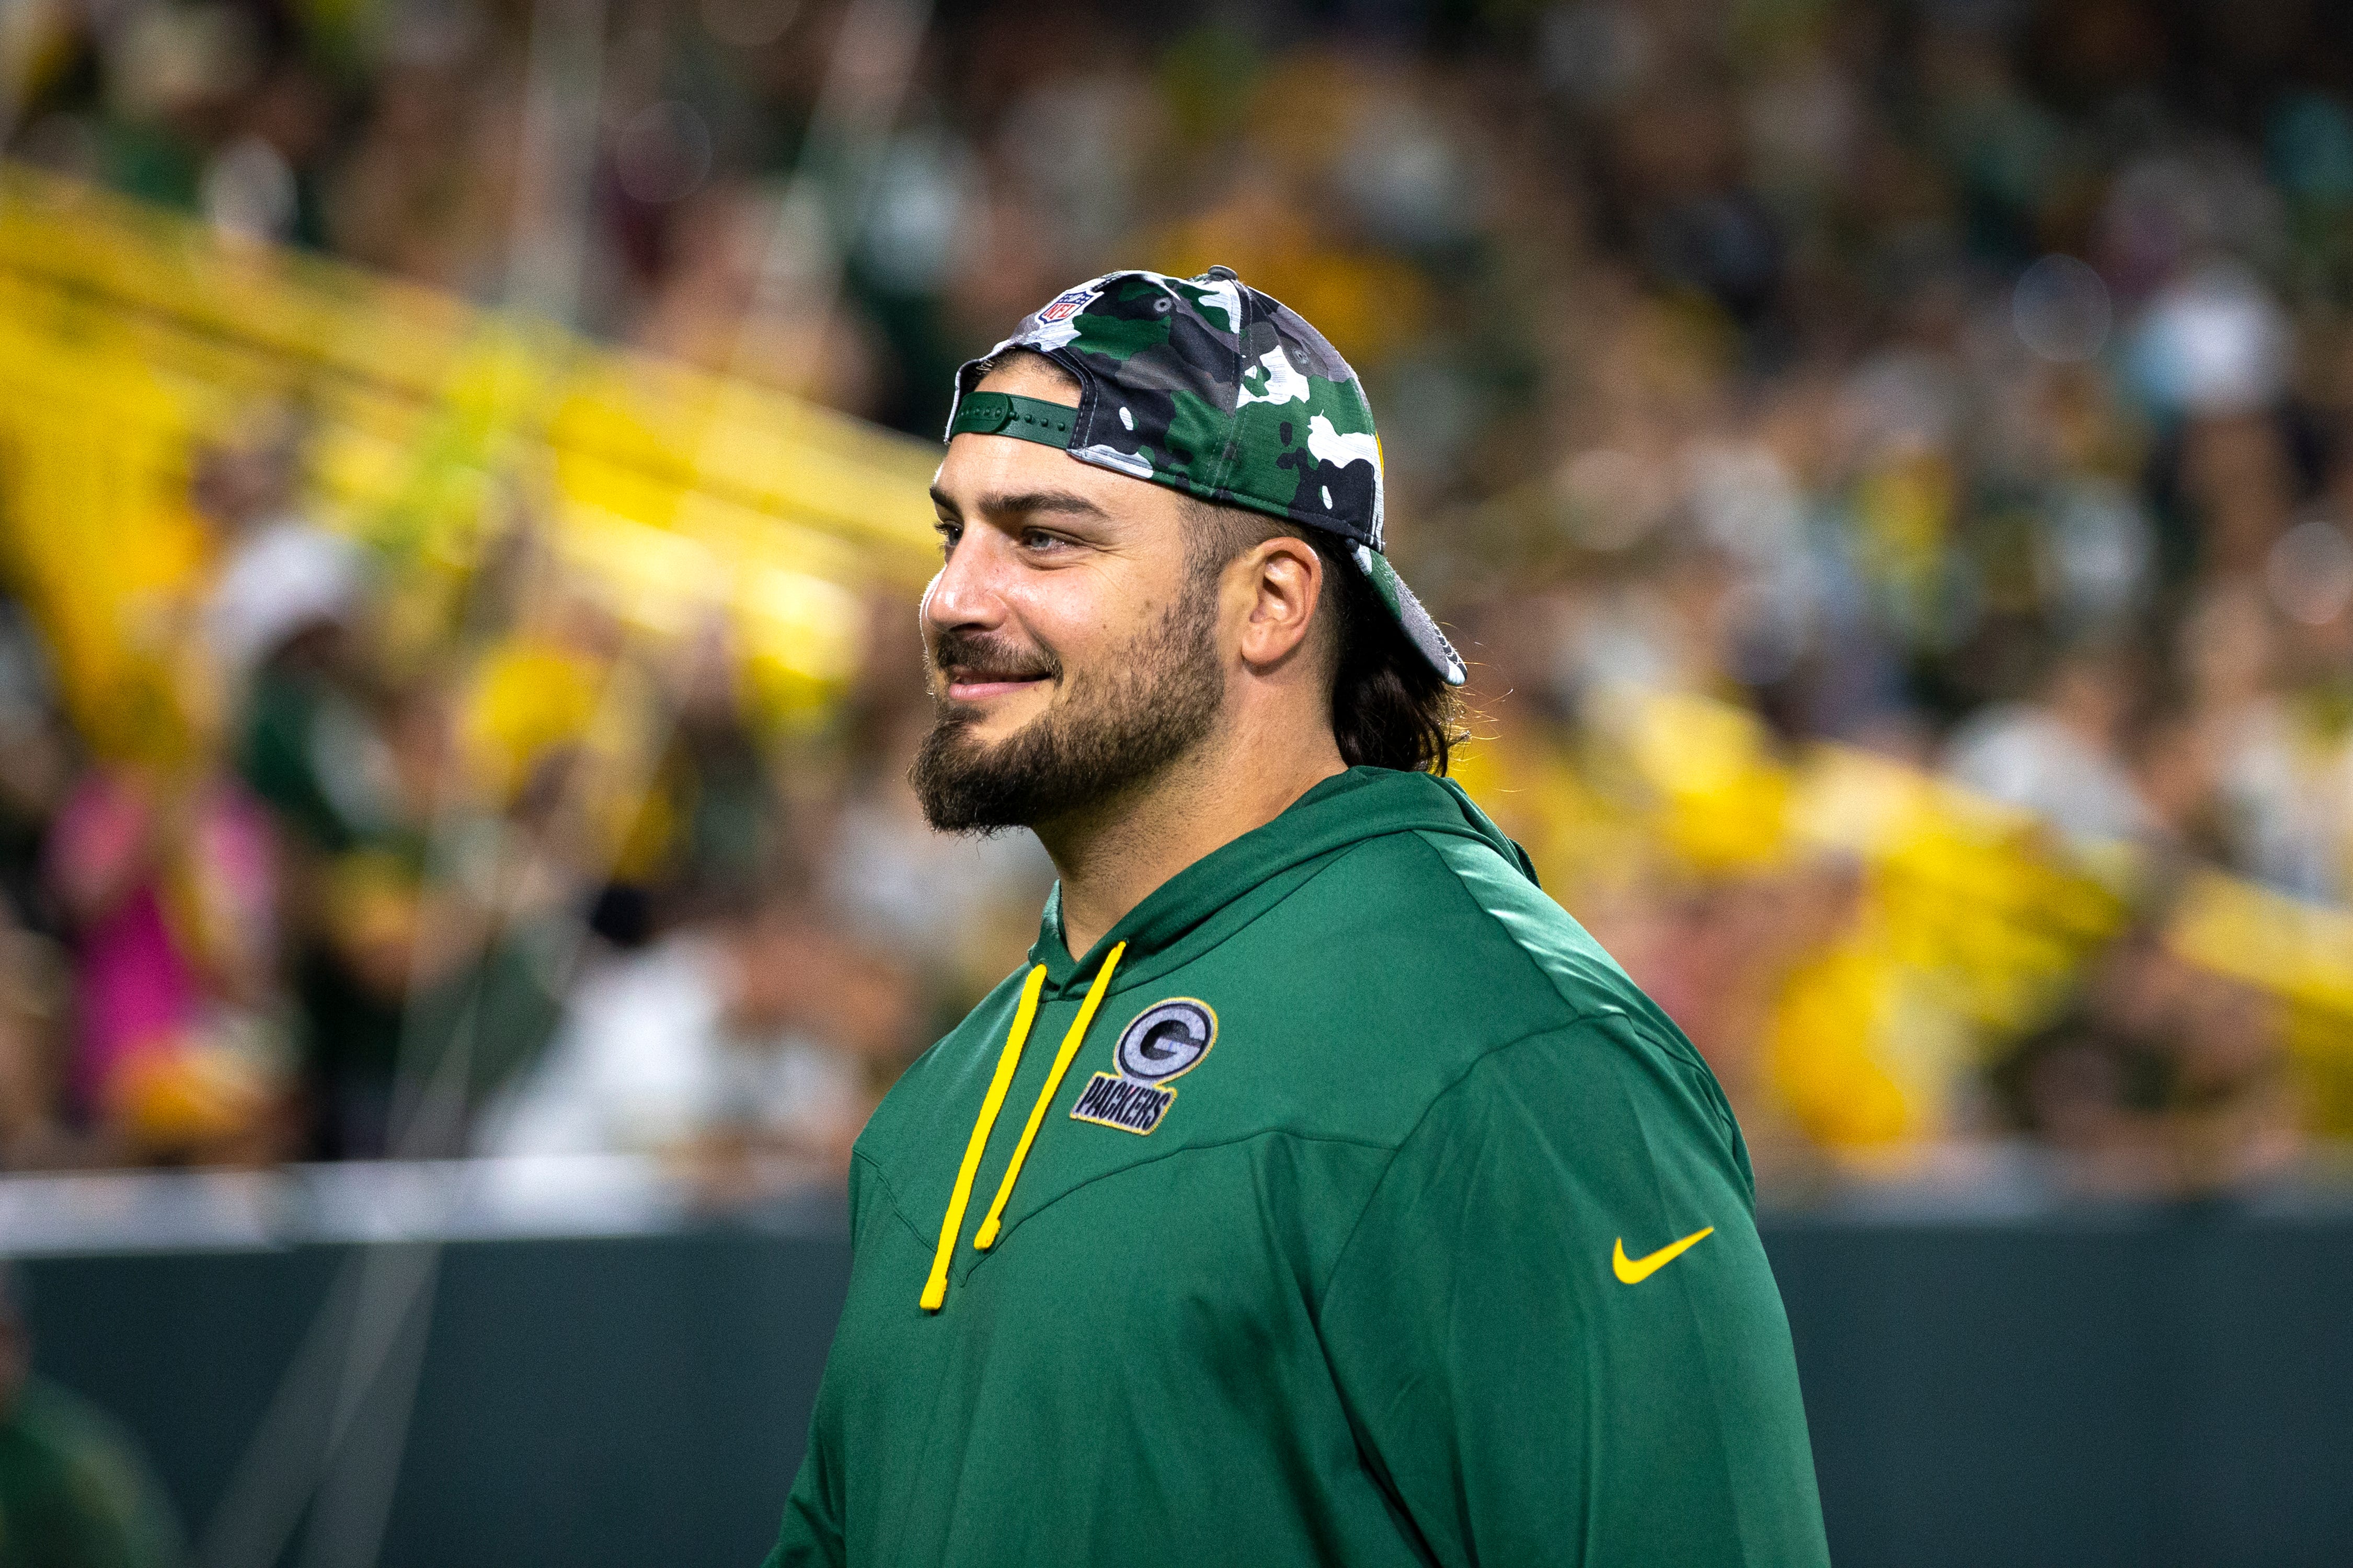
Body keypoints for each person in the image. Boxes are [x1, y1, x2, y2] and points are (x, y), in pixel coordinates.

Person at [766, 269, 1827, 1566]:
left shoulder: (1508, 1057)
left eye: (1044, 538)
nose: (954, 600)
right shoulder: (945, 1103)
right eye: (954, 534)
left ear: (1271, 601)